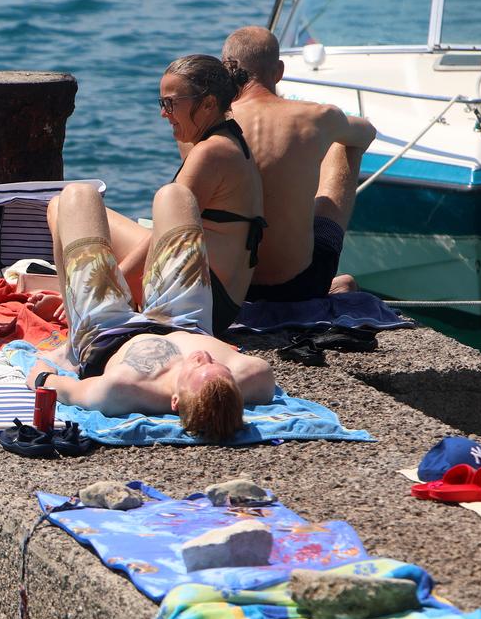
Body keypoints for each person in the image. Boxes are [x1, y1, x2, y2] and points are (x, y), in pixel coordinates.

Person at [34, 182, 275, 441]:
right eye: (217, 364)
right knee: (176, 195)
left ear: (174, 401)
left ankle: (71, 348)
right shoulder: (253, 376)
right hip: (185, 320)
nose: (204, 355)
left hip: (107, 330)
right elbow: (255, 383)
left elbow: (60, 388)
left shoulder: (122, 389)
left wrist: (41, 373)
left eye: (198, 367)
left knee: (76, 196)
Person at [90, 55, 266, 336]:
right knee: (97, 220)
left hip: (198, 302)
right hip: (215, 299)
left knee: (75, 209)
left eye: (170, 103)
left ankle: (93, 297)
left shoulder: (211, 154)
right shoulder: (230, 142)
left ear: (208, 104)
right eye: (162, 103)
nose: (163, 113)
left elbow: (161, 239)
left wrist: (107, 290)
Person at [221, 25, 377, 299]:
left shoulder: (209, 123)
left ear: (226, 70)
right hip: (302, 284)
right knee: (345, 145)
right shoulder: (316, 117)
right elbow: (366, 133)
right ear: (279, 71)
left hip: (231, 287)